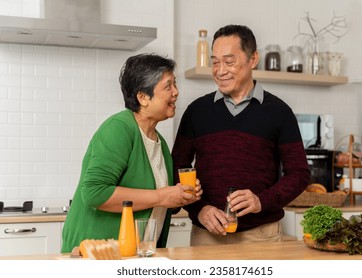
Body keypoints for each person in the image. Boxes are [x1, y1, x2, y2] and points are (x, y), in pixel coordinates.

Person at [172, 25, 310, 246]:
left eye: (229, 61)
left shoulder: (280, 112)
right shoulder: (196, 111)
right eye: (215, 62)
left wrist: (260, 201)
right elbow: (178, 167)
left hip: (261, 235)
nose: (220, 70)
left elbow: (299, 173)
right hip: (207, 233)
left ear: (253, 59)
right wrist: (199, 209)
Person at [61, 53, 202, 253]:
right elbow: (94, 193)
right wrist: (161, 196)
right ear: (143, 97)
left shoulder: (159, 143)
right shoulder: (119, 128)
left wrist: (179, 196)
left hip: (137, 254)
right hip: (98, 253)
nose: (176, 92)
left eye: (175, 84)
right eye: (168, 86)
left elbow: (155, 202)